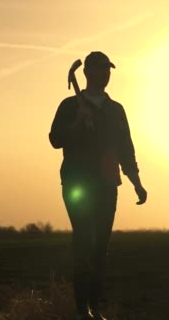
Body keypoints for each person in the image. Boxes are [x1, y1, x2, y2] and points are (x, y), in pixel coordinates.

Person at [49, 51, 147, 320]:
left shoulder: (116, 110)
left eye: (109, 69)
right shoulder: (70, 106)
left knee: (100, 246)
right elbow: (55, 139)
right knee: (84, 239)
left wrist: (136, 182)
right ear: (87, 72)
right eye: (101, 68)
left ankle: (93, 306)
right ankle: (82, 310)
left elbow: (126, 148)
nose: (106, 73)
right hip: (77, 182)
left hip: (107, 183)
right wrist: (77, 124)